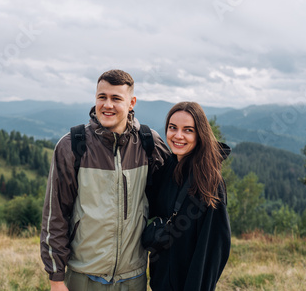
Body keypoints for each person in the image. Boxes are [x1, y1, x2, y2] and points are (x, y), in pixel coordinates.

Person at [40, 69, 170, 291]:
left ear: (131, 102)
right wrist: (56, 278)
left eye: (116, 98)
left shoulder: (149, 142)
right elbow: (56, 214)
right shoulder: (72, 145)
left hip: (134, 277)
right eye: (102, 97)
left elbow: (175, 189)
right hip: (83, 277)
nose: (107, 105)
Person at [146, 101, 231, 291]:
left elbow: (212, 252)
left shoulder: (209, 182)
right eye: (173, 128)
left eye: (188, 130)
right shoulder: (168, 169)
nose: (178, 136)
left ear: (200, 134)